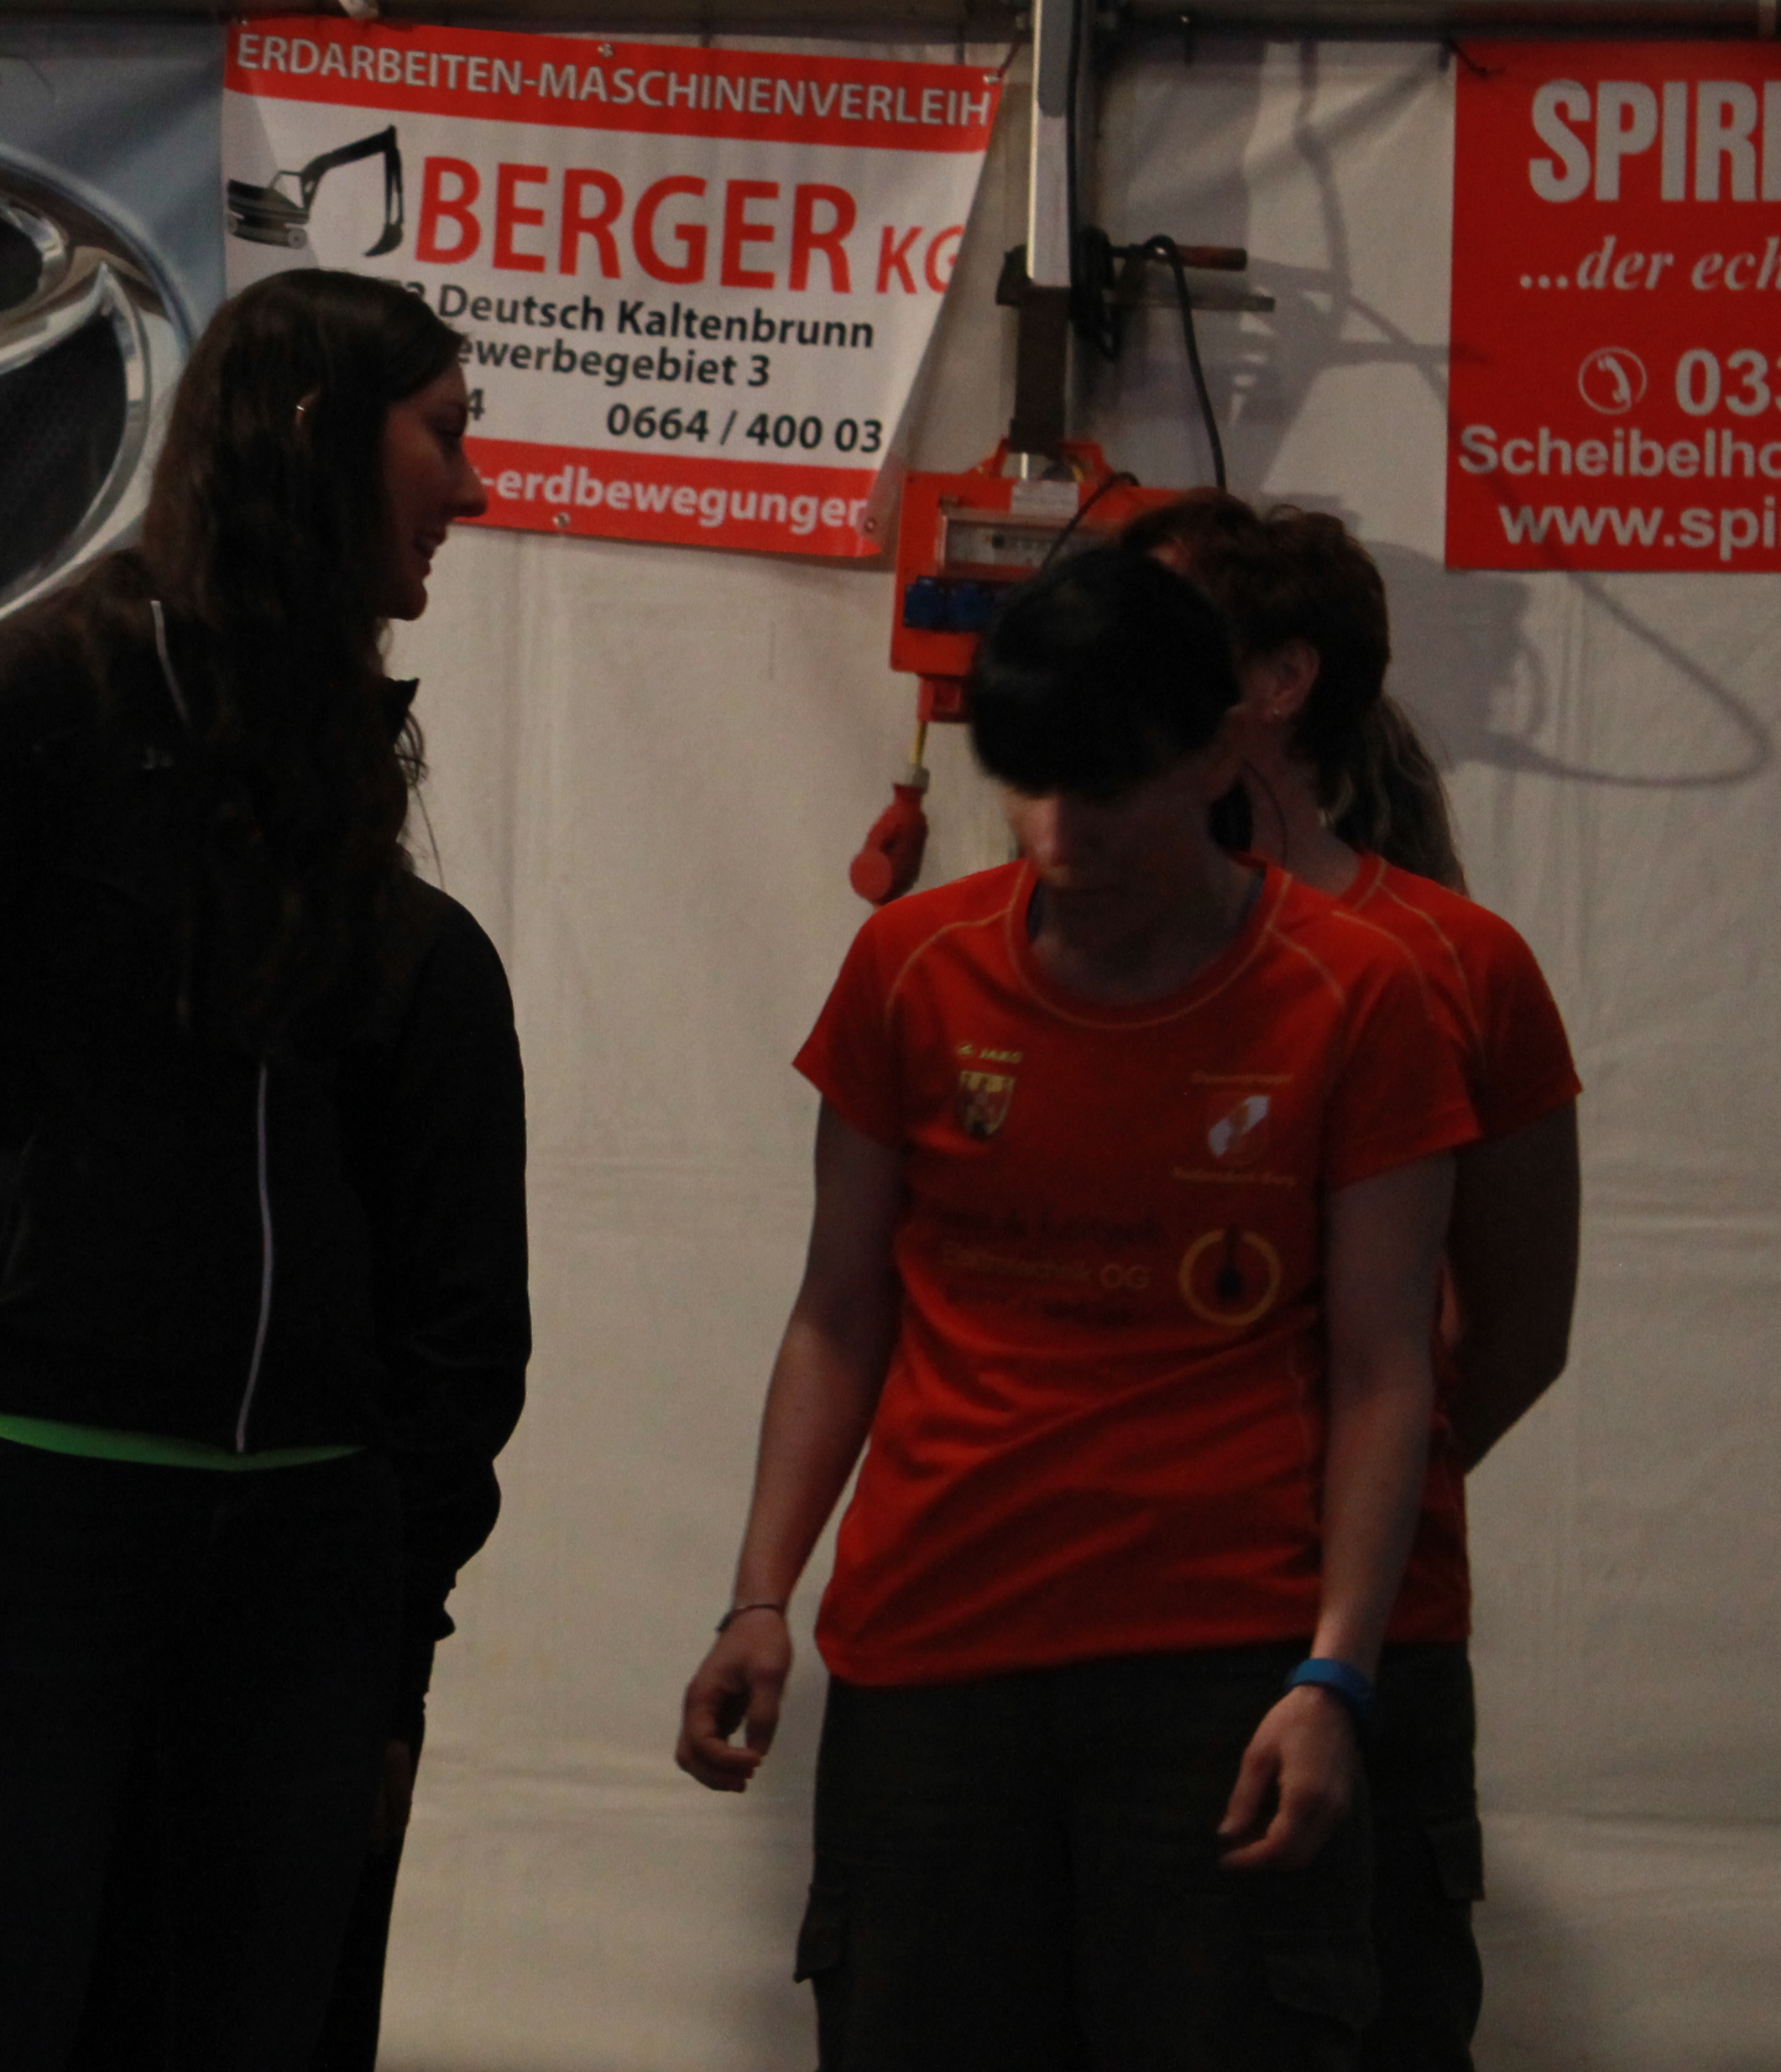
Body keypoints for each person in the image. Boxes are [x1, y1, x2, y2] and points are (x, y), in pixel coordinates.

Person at [0, 266, 530, 2072]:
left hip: (291, 1552)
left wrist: (386, 1562)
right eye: (445, 434)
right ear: (318, 431)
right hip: (21, 1516)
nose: (476, 486)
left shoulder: (330, 732)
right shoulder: (46, 686)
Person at [675, 547, 1476, 2069]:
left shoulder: (1358, 991)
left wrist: (1337, 1673)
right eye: (1029, 784)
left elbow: (1389, 1370)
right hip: (931, 1661)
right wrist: (761, 1595)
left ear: (1219, 751)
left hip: (1220, 1666)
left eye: (1102, 788)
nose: (1057, 833)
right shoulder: (911, 966)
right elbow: (838, 1311)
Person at [1125, 492, 1583, 2072]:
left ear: (1281, 683)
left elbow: (1514, 1332)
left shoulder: (1462, 963)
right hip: (1097, 1617)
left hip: (1358, 1640)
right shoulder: (1069, 943)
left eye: (1162, 631)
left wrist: (1348, 1517)